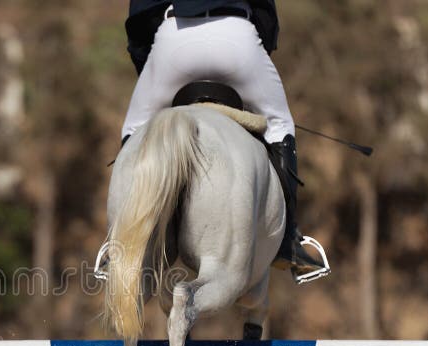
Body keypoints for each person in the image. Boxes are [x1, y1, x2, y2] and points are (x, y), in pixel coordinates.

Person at [121, 0, 328, 279]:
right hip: (236, 36)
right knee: (280, 125)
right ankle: (289, 239)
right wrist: (256, 57)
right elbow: (266, 13)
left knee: (135, 128)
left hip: (175, 38)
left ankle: (119, 245)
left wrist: (148, 65)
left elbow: (141, 14)